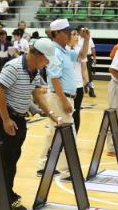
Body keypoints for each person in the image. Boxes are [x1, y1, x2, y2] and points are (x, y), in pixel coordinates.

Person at [0, 38, 56, 210]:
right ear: (37, 55)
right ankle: (6, 197)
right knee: (6, 160)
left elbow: (36, 93)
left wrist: (50, 114)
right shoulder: (13, 67)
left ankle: (5, 192)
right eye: (46, 58)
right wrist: (6, 119)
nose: (48, 62)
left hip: (19, 119)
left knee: (13, 158)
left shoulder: (33, 70)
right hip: (5, 117)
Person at [37, 20, 90, 175]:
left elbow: (81, 55)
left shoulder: (65, 50)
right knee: (68, 133)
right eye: (66, 32)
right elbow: (54, 78)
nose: (69, 35)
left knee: (54, 132)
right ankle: (68, 170)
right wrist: (65, 100)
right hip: (59, 98)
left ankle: (44, 165)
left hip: (62, 97)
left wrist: (86, 40)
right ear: (56, 34)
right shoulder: (54, 51)